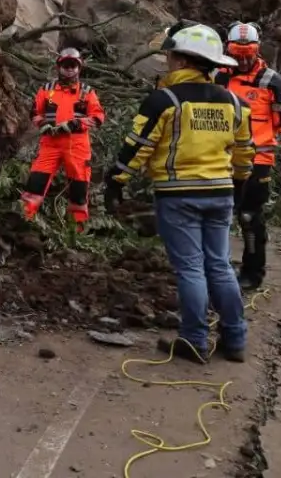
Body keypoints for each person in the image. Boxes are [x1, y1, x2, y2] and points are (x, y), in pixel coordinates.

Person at [104, 23, 253, 363]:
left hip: (178, 195)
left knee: (190, 268)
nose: (167, 61)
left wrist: (115, 183)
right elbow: (245, 151)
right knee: (220, 265)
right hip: (221, 192)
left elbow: (137, 148)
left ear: (182, 60)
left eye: (170, 55)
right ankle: (235, 338)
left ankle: (194, 340)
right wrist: (241, 184)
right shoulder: (234, 102)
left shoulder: (164, 100)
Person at [215, 21, 281, 291]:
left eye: (248, 52)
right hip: (219, 160)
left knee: (249, 217)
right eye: (236, 52)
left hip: (257, 162)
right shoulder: (217, 77)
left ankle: (252, 272)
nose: (242, 59)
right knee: (217, 215)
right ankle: (218, 268)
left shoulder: (272, 81)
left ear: (257, 50)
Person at [19, 48, 105, 231]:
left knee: (79, 189)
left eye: (73, 65)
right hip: (50, 144)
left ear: (79, 68)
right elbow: (35, 112)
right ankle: (22, 221)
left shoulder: (87, 92)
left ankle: (76, 231)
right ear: (59, 67)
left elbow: (98, 117)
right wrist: (43, 125)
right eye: (66, 65)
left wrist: (74, 125)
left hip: (77, 146)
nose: (69, 69)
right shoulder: (46, 89)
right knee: (35, 182)